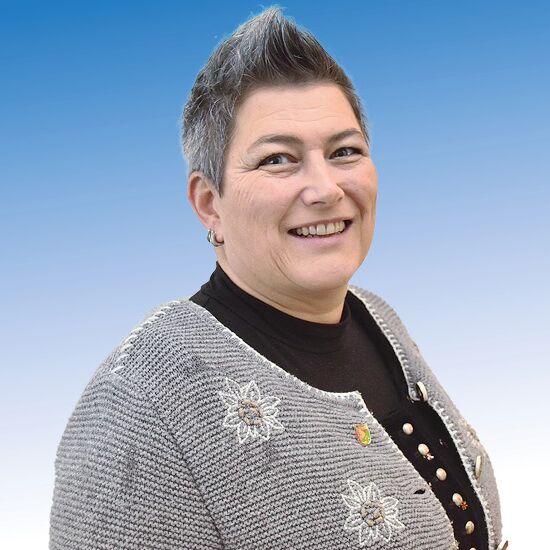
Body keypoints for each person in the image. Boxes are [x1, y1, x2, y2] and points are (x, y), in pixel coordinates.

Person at [49, 7, 508, 550]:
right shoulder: (141, 401)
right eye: (277, 160)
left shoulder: (378, 319)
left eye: (345, 152)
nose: (326, 189)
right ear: (209, 202)